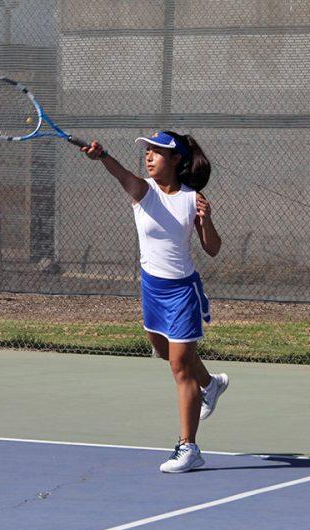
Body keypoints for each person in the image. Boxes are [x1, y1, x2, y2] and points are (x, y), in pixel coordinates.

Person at [81, 131, 229, 473]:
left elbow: (213, 248)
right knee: (164, 352)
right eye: (147, 151)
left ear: (176, 159)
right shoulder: (143, 192)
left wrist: (206, 219)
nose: (149, 157)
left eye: (157, 152)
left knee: (180, 366)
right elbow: (121, 173)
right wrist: (102, 156)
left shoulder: (193, 198)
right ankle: (211, 383)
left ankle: (188, 447)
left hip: (182, 292)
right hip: (152, 289)